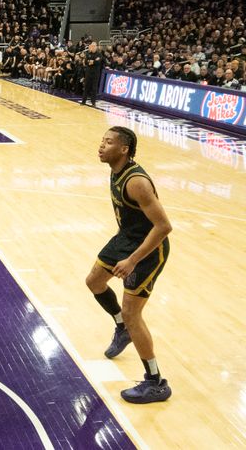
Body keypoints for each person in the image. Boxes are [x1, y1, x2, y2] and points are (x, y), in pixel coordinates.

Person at [86, 126, 173, 404]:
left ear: (124, 149)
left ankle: (156, 382)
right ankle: (121, 327)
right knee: (95, 281)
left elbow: (163, 226)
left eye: (108, 142)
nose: (101, 145)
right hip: (127, 238)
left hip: (149, 248)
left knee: (133, 312)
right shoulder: (116, 168)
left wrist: (132, 260)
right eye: (102, 139)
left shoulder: (137, 182)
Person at [82, 41, 104, 106]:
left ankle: (93, 102)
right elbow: (86, 61)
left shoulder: (99, 54)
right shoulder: (88, 54)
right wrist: (91, 61)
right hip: (88, 73)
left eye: (94, 46)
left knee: (94, 88)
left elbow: (98, 61)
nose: (93, 47)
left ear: (96, 47)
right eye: (92, 46)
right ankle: (83, 101)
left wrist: (92, 62)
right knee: (86, 87)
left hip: (95, 73)